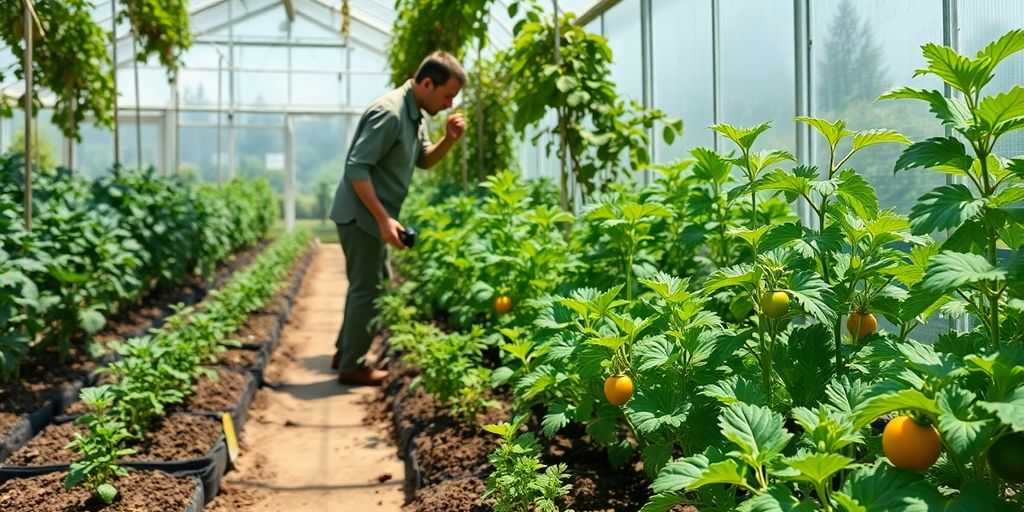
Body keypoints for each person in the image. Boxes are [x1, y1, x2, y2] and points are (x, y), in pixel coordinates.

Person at [328, 51, 467, 386]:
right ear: (427, 83)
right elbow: (356, 168)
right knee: (370, 288)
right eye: (447, 95)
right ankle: (352, 365)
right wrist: (383, 219)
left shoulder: (414, 113)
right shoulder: (389, 113)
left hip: (371, 215)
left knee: (371, 284)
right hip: (361, 215)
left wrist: (448, 139)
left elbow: (422, 159)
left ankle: (345, 352)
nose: (449, 104)